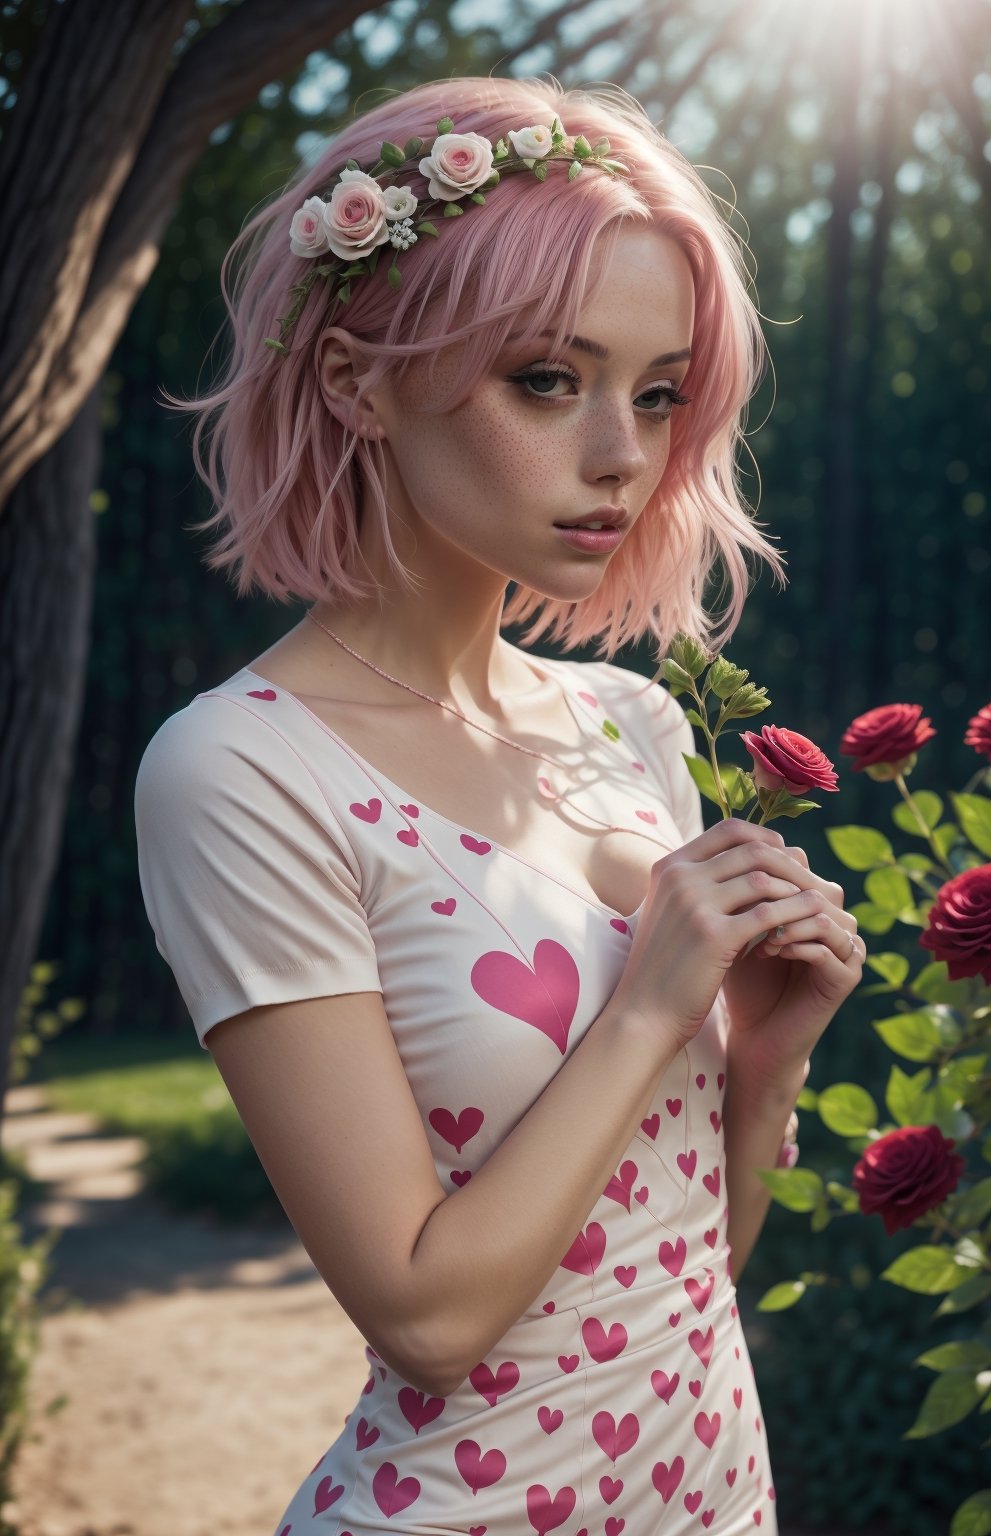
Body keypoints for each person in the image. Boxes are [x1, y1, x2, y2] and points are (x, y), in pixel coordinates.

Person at [135, 73, 864, 1536]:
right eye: (548, 379)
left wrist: (766, 1065)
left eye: (658, 393)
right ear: (356, 380)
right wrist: (655, 1006)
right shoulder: (244, 770)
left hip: (718, 1500)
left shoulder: (634, 723)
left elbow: (673, 1273)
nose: (622, 454)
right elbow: (428, 1317)